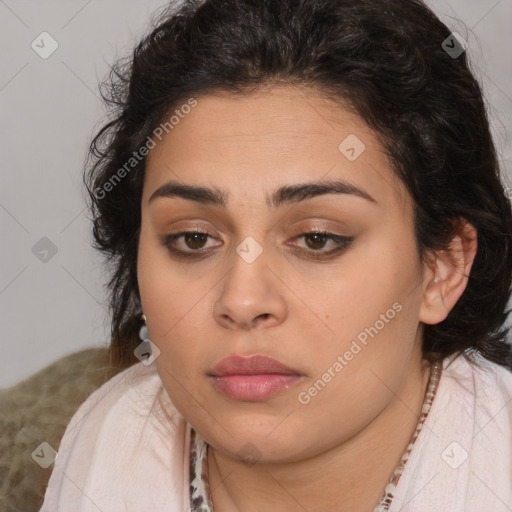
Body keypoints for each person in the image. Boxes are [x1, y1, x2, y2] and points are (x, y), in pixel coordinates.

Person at [40, 0, 512, 510]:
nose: (243, 301)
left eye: (317, 239)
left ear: (442, 267)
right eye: (193, 238)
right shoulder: (104, 446)